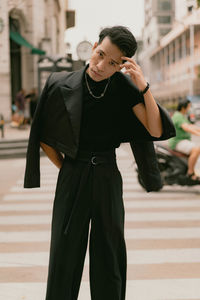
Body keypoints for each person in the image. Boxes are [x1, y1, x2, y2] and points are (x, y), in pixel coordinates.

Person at [24, 26, 175, 300]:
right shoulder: (62, 83)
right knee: (63, 255)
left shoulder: (123, 88)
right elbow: (45, 137)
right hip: (73, 173)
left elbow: (154, 129)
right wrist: (69, 168)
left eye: (113, 62)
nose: (101, 65)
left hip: (107, 175)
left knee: (109, 253)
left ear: (122, 65)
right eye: (100, 54)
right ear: (94, 46)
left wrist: (143, 87)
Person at [169, 98, 200, 182]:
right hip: (177, 142)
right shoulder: (178, 116)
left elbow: (191, 126)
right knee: (196, 149)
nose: (190, 109)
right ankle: (190, 173)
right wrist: (198, 134)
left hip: (182, 141)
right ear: (184, 107)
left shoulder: (182, 115)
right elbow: (186, 127)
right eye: (189, 107)